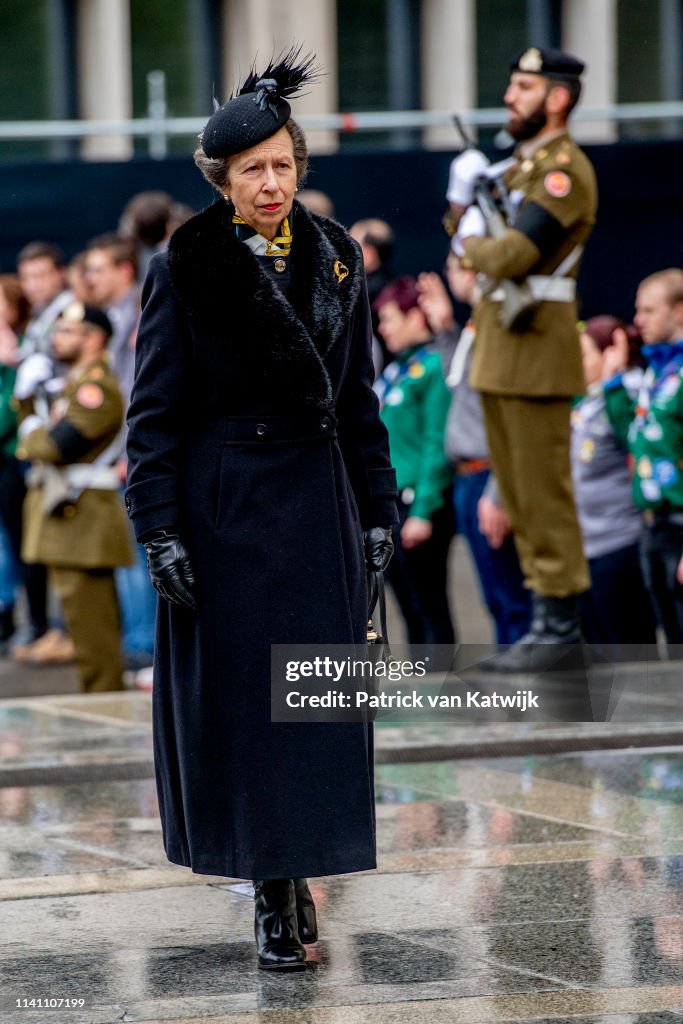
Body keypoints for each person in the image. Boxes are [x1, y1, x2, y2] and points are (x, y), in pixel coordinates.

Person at [124, 50, 397, 971]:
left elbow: (358, 399)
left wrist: (375, 512)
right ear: (223, 181)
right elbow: (153, 413)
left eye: (283, 163)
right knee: (251, 712)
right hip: (226, 510)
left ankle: (301, 871)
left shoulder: (339, 257)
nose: (271, 182)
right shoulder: (187, 263)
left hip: (316, 504)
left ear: (299, 164)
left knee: (314, 707)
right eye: (252, 170)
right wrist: (157, 526)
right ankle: (274, 898)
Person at [451, 46, 597, 671]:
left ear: (557, 97)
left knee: (543, 495)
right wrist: (463, 200)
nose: (510, 97)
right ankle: (543, 623)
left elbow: (510, 255)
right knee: (514, 490)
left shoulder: (563, 170)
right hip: (503, 350)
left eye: (524, 86)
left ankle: (561, 627)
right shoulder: (520, 168)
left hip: (537, 351)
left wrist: (470, 237)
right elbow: (468, 240)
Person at [15, 301, 133, 691]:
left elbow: (51, 448)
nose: (57, 339)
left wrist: (30, 424)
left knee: (92, 627)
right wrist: (29, 401)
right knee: (80, 624)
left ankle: (106, 700)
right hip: (71, 517)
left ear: (94, 339)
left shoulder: (95, 389)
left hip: (84, 518)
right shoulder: (75, 385)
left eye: (67, 332)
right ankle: (98, 694)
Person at [417, 253, 531, 646]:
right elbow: (460, 387)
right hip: (468, 476)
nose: (449, 276)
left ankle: (530, 677)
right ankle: (510, 664)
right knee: (494, 593)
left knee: (511, 589)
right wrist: (445, 329)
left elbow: (510, 418)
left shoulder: (497, 328)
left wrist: (499, 488)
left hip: (490, 472)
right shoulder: (473, 328)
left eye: (453, 268)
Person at [373, 276, 455, 662]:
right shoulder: (396, 371)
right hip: (393, 505)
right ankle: (427, 693)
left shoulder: (435, 367)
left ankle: (444, 694)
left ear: (416, 317)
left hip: (418, 504)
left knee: (429, 603)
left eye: (390, 318)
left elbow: (435, 444)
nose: (383, 328)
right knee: (407, 607)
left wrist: (423, 511)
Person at [602, 269, 683, 648]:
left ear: (679, 310)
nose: (638, 320)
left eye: (649, 310)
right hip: (654, 526)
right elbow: (635, 438)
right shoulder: (658, 371)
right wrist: (615, 383)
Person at [572, 316, 657, 652]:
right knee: (601, 650)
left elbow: (634, 444)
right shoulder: (584, 404)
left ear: (610, 355)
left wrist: (613, 382)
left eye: (583, 356)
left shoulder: (627, 395)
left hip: (619, 544)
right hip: (586, 548)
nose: (575, 366)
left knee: (631, 651)